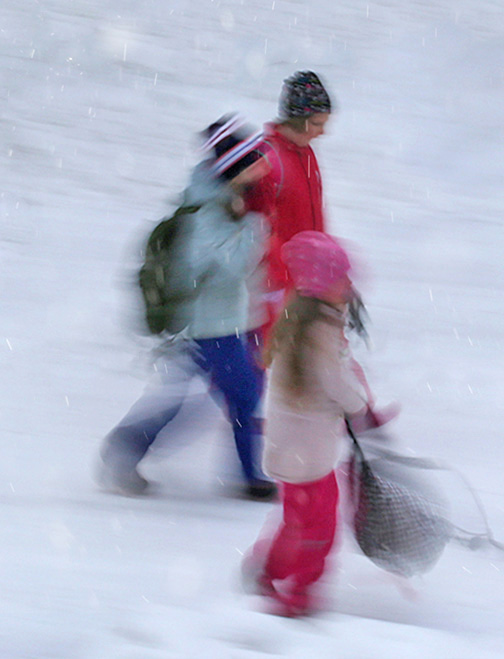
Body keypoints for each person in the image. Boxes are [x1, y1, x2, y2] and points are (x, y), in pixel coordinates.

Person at [98, 115, 277, 501]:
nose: (262, 166)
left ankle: (126, 451)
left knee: (205, 398)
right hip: (209, 326)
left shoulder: (228, 201)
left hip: (225, 321)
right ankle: (248, 478)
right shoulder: (206, 210)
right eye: (255, 161)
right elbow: (207, 267)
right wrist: (252, 233)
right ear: (235, 169)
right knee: (241, 395)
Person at [243, 231, 395, 617]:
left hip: (288, 445)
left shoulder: (296, 320)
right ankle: (299, 592)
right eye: (342, 279)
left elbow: (324, 376)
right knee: (319, 527)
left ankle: (269, 570)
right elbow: (333, 381)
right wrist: (361, 409)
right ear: (322, 285)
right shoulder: (319, 331)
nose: (349, 286)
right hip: (308, 451)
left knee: (297, 519)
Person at [246, 70, 334, 341]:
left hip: (309, 287)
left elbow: (316, 220)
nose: (323, 132)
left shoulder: (306, 153)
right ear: (299, 119)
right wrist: (280, 284)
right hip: (277, 292)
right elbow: (254, 232)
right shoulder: (268, 161)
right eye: (318, 123)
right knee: (271, 368)